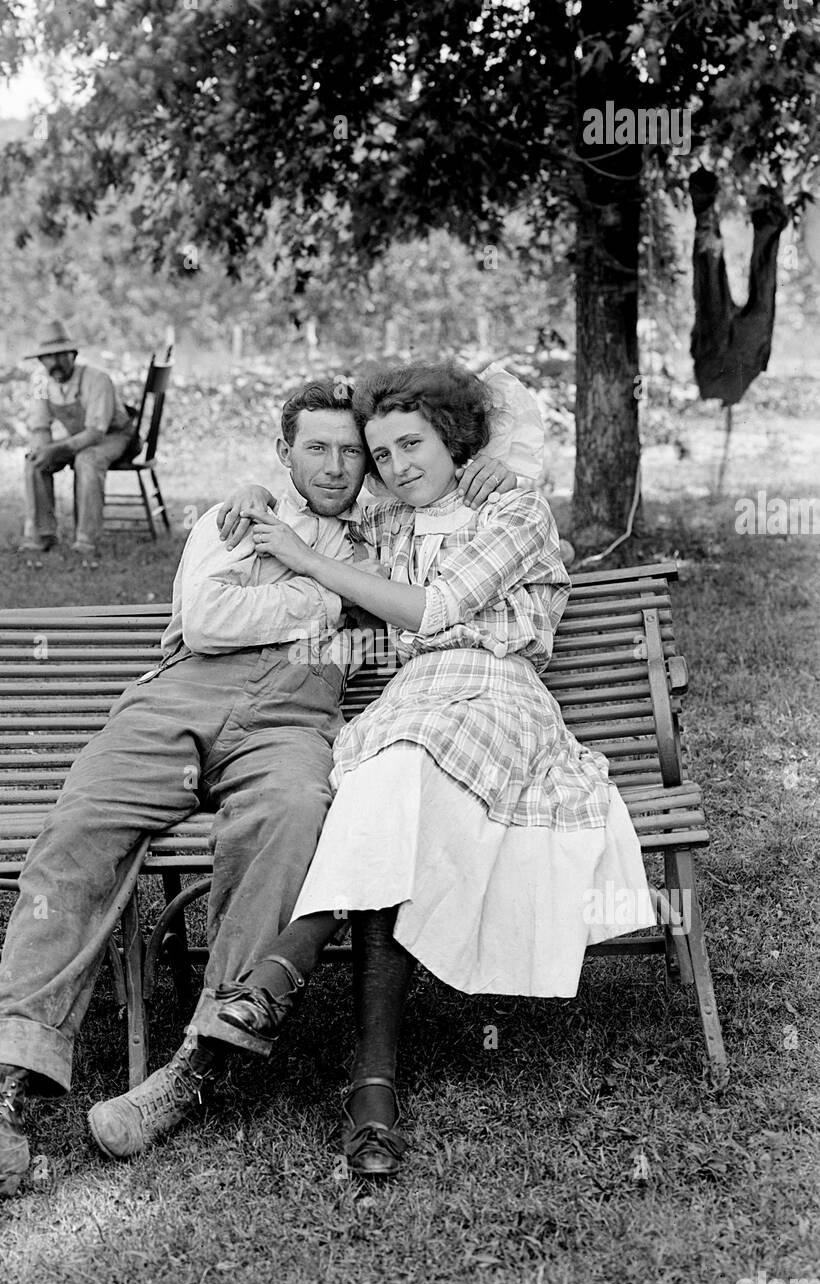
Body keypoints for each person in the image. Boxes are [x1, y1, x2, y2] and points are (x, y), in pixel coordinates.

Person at [0, 377, 514, 1198]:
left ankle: (197, 1065)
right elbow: (208, 620)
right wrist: (330, 596)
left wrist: (494, 470)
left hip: (292, 723)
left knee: (296, 814)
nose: (336, 467)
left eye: (350, 452)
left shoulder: (384, 522)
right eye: (316, 449)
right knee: (79, 829)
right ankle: (2, 1107)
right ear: (282, 453)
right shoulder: (237, 517)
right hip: (179, 699)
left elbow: (461, 520)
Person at [211, 361, 654, 1180]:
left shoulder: (513, 506)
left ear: (452, 438)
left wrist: (312, 566)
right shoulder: (386, 524)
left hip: (499, 698)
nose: (396, 466)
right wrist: (252, 491)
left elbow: (436, 608)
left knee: (396, 772)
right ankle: (370, 1093)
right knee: (391, 793)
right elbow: (317, 502)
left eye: (411, 444)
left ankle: (278, 977)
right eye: (382, 455)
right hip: (413, 699)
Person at [19, 320, 139, 558]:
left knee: (87, 460)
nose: (55, 363)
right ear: (41, 361)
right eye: (48, 358)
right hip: (78, 438)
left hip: (115, 437)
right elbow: (40, 425)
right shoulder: (41, 383)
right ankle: (42, 535)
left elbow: (96, 432)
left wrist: (57, 450)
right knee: (34, 460)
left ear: (73, 354)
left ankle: (86, 540)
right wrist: (43, 451)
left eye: (60, 356)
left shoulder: (96, 379)